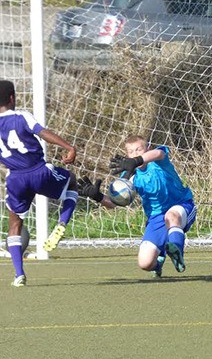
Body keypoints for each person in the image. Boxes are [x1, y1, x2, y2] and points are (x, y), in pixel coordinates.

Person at [78, 135, 196, 278]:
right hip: (155, 217)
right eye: (131, 152)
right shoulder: (129, 177)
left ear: (147, 148)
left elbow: (159, 153)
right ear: (126, 154)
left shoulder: (158, 162)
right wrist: (98, 196)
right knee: (145, 263)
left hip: (181, 204)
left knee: (171, 216)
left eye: (139, 149)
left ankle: (176, 251)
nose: (135, 154)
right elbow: (114, 203)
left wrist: (137, 161)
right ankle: (159, 261)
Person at [0, 80, 79, 287]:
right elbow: (42, 132)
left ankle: (19, 275)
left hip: (15, 178)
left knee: (15, 225)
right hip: (38, 171)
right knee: (72, 182)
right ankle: (62, 223)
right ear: (11, 98)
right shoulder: (21, 116)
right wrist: (68, 147)